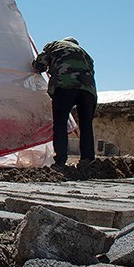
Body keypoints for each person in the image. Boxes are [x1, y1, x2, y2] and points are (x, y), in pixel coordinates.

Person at [32, 37, 97, 168]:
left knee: (60, 123)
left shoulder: (56, 45)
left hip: (65, 85)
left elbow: (41, 64)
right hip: (88, 90)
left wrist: (37, 67)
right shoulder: (86, 54)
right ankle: (88, 160)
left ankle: (60, 161)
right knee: (86, 126)